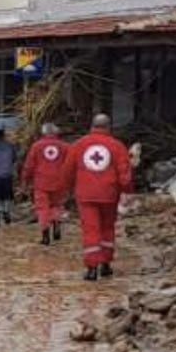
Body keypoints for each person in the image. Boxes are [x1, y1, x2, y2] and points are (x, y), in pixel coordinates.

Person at [63, 112, 134, 281]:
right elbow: (125, 173)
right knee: (107, 228)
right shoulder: (117, 146)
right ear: (109, 127)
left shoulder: (79, 145)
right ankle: (106, 264)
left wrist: (69, 189)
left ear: (91, 126)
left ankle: (92, 269)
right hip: (109, 194)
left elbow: (67, 171)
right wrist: (127, 190)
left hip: (85, 195)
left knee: (91, 229)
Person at [21, 122, 71, 245]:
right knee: (57, 205)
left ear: (43, 132)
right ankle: (57, 225)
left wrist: (25, 181)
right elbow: (71, 165)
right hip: (60, 182)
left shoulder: (36, 146)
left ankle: (45, 235)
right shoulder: (65, 147)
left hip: (41, 182)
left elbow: (29, 166)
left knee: (42, 208)